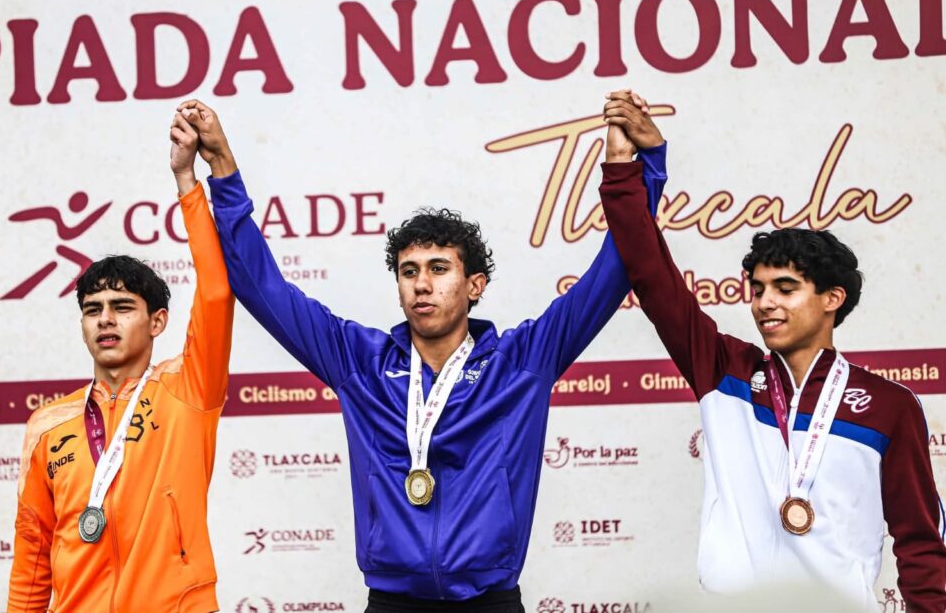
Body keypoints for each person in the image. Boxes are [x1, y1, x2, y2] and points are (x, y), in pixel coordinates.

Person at [177, 98, 665, 610]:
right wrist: (223, 169)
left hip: (490, 601)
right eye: (409, 272)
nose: (422, 285)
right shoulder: (360, 363)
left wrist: (639, 170)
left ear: (475, 285)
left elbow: (615, 271)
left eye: (438, 269)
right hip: (393, 602)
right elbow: (263, 288)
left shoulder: (522, 362)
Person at [597, 90, 946, 612]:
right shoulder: (724, 371)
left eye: (785, 289)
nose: (765, 303)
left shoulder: (889, 406)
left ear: (832, 299)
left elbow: (920, 544)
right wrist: (627, 168)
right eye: (758, 290)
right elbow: (651, 273)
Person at [6, 112, 234, 612]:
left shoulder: (187, 389)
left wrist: (186, 181)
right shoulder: (47, 425)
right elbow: (32, 555)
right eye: (93, 310)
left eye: (123, 307)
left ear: (157, 321)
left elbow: (216, 292)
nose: (105, 320)